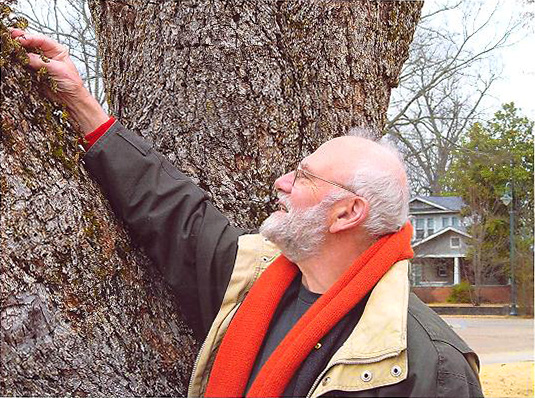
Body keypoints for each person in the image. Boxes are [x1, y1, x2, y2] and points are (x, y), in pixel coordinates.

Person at [11, 29, 483, 397]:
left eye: (302, 177)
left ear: (346, 214)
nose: (281, 182)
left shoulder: (431, 364)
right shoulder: (254, 277)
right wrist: (82, 105)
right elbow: (174, 212)